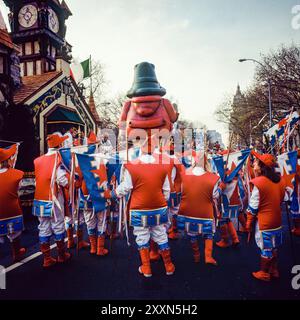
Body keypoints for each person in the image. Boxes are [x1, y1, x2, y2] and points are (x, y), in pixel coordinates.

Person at [112, 135, 175, 277]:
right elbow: (166, 191)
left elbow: (126, 187)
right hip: (158, 206)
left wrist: (112, 194)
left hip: (139, 208)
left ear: (140, 146)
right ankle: (169, 266)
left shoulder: (131, 165)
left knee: (142, 236)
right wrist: (158, 201)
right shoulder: (163, 165)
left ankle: (146, 268)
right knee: (161, 234)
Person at [246, 151, 287, 281]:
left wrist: (248, 223)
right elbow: (283, 198)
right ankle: (274, 269)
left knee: (266, 248)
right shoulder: (280, 181)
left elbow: (252, 208)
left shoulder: (259, 183)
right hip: (277, 220)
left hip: (265, 222)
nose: (254, 164)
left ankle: (264, 273)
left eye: (256, 163)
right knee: (274, 246)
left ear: (262, 166)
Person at [32, 133, 71, 268]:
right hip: (54, 198)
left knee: (43, 227)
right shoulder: (59, 158)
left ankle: (47, 259)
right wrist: (71, 184)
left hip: (39, 199)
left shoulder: (37, 160)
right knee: (58, 225)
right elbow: (62, 179)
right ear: (59, 145)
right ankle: (61, 255)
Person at [177, 151, 220, 265]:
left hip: (188, 210)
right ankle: (208, 257)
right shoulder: (213, 178)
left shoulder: (185, 175)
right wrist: (221, 188)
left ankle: (196, 255)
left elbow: (182, 192)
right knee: (209, 233)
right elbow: (214, 196)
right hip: (205, 212)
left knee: (192, 233)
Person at [0, 144, 26, 262]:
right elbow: (20, 190)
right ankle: (16, 253)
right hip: (12, 210)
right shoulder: (18, 174)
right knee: (15, 235)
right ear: (8, 160)